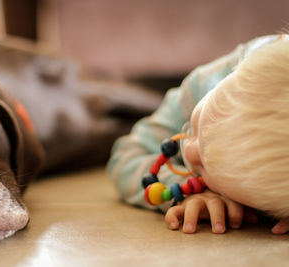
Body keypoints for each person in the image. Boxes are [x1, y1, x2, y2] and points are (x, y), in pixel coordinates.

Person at [107, 34, 289, 234]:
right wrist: (186, 189)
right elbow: (126, 155)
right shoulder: (202, 85)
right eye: (198, 124)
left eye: (207, 167)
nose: (190, 151)